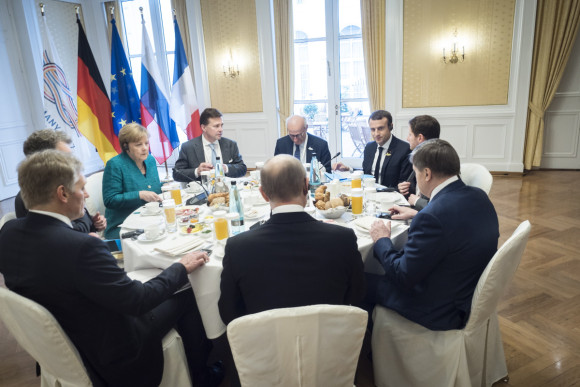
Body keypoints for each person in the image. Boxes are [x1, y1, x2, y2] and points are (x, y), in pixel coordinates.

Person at [0, 150, 223, 387]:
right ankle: (202, 376)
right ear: (62, 193)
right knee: (187, 291)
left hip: (60, 335)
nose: (86, 195)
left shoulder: (8, 232)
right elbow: (138, 300)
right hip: (112, 349)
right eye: (82, 188)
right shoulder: (81, 248)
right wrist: (180, 267)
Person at [218, 154, 365, 325]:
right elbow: (357, 297)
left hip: (265, 347)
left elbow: (228, 314)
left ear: (263, 194)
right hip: (329, 343)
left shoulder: (237, 247)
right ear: (306, 186)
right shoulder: (343, 239)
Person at [368, 139, 499, 331]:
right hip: (466, 292)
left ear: (427, 173)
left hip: (439, 309)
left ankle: (370, 347)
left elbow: (402, 276)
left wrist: (382, 240)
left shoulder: (432, 217)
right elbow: (452, 224)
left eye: (416, 172)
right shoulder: (479, 196)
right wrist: (417, 213)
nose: (416, 179)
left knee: (356, 281)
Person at [15, 129, 106, 235]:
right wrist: (85, 219)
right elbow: (70, 232)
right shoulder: (33, 196)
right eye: (65, 158)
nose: (72, 161)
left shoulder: (64, 184)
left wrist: (93, 222)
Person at [102, 123, 162, 239]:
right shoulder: (115, 165)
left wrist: (165, 186)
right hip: (124, 225)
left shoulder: (150, 160)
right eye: (138, 145)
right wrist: (139, 195)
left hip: (150, 219)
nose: (144, 148)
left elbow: (151, 188)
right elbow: (110, 200)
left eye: (146, 143)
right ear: (126, 147)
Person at [334, 110, 412, 188]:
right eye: (373, 129)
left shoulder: (404, 149)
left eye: (380, 128)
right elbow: (367, 174)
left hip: (392, 196)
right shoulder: (369, 147)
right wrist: (348, 169)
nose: (376, 134)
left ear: (390, 126)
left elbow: (404, 185)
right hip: (369, 194)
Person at [173, 108, 246, 182]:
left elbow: (242, 169)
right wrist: (197, 171)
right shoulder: (188, 147)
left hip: (226, 189)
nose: (221, 129)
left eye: (221, 125)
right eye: (216, 126)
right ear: (204, 128)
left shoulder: (230, 144)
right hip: (202, 191)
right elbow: (176, 174)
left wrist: (226, 168)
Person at [397, 115, 441, 210]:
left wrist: (417, 201)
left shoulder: (437, 161)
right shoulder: (419, 156)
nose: (407, 138)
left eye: (410, 134)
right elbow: (416, 189)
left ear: (420, 137)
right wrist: (404, 188)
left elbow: (441, 206)